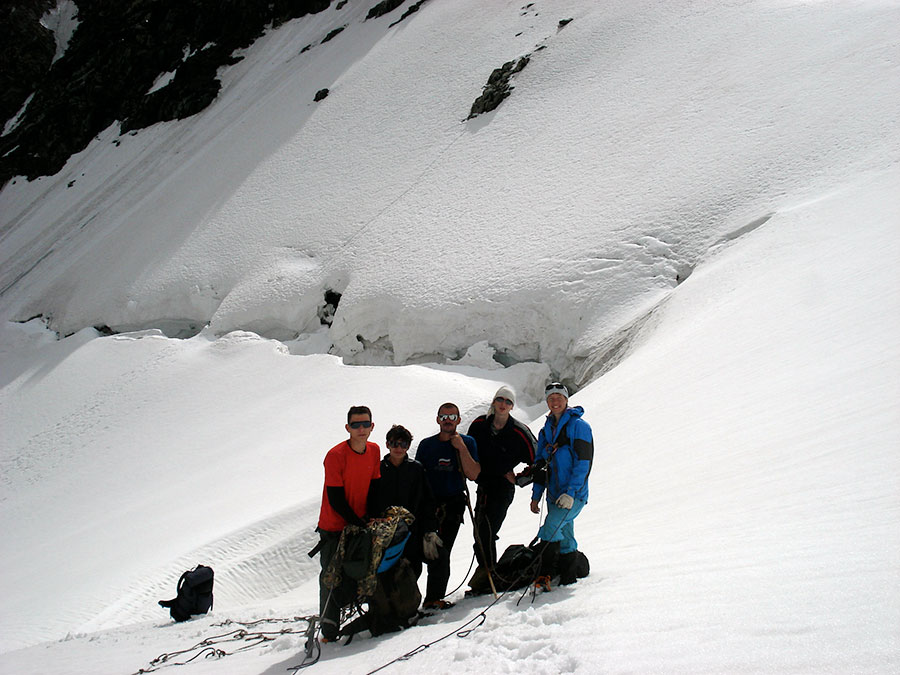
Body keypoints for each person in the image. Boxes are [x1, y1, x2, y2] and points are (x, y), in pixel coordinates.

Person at [315, 406, 381, 642]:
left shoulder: (374, 450)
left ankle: (354, 616)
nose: (361, 429)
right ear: (348, 428)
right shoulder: (335, 456)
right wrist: (359, 521)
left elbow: (373, 487)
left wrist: (370, 517)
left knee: (357, 572)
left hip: (359, 526)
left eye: (365, 424)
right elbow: (335, 498)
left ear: (372, 426)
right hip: (334, 527)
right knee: (331, 577)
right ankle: (329, 630)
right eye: (356, 425)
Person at [466, 385, 536, 578]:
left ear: (512, 406)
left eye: (508, 402)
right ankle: (489, 572)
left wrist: (520, 478)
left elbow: (539, 460)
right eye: (500, 400)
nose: (503, 404)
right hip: (483, 486)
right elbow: (467, 452)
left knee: (487, 531)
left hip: (503, 488)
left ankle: (489, 574)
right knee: (480, 533)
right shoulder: (479, 425)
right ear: (494, 402)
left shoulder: (520, 431)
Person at [415, 402, 480, 609]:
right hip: (429, 505)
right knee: (432, 551)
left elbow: (474, 474)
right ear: (438, 419)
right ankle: (431, 598)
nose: (448, 421)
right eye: (444, 417)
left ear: (459, 420)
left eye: (452, 417)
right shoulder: (426, 445)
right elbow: (419, 478)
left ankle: (433, 597)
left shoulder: (467, 442)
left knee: (442, 551)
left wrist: (461, 448)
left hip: (453, 504)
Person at [529, 382, 593, 588]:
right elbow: (540, 464)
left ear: (566, 400)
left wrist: (572, 492)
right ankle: (568, 578)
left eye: (559, 397)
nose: (555, 402)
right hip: (554, 494)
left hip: (573, 495)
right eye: (551, 398)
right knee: (565, 535)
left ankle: (544, 575)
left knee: (549, 530)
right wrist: (536, 495)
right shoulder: (545, 430)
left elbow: (584, 462)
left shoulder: (580, 427)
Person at [370, 424, 439, 579]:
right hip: (383, 533)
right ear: (387, 444)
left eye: (403, 444)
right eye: (394, 444)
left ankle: (430, 600)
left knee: (415, 569)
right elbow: (370, 499)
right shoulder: (377, 469)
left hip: (412, 531)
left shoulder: (416, 469)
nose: (398, 448)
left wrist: (429, 529)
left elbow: (427, 500)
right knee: (384, 573)